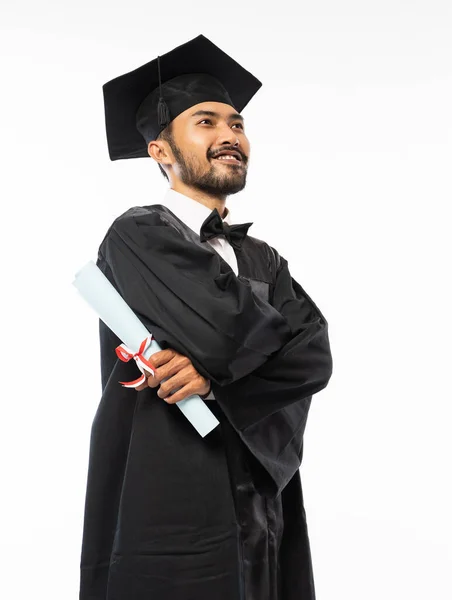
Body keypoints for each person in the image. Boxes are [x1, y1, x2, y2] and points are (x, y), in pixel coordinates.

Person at [79, 34, 333, 600]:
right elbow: (225, 332)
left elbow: (316, 358)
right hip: (169, 481)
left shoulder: (262, 258)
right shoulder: (138, 234)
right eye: (206, 122)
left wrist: (216, 377)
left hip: (261, 495)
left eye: (237, 124)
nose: (229, 136)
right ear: (161, 151)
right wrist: (253, 354)